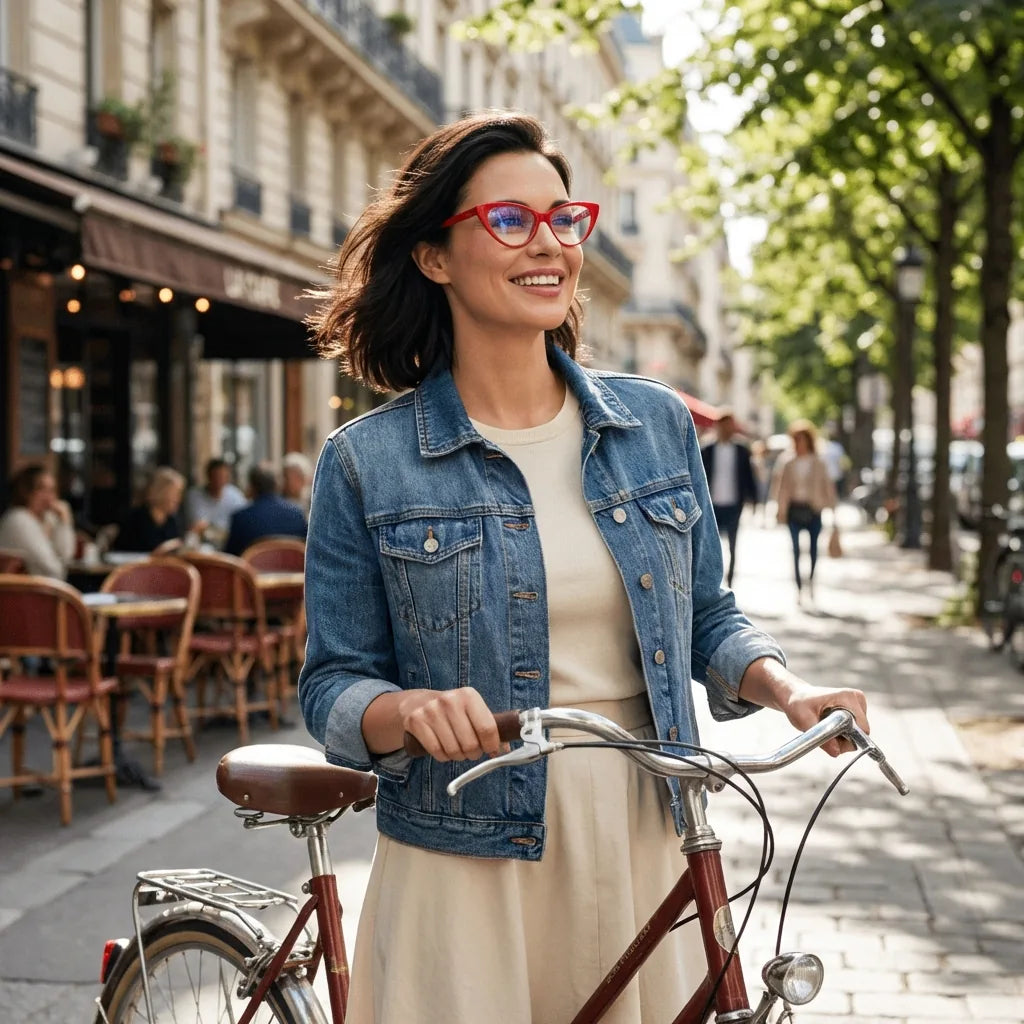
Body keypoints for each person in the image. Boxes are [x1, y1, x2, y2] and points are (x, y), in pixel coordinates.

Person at [297, 112, 869, 1024]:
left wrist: (788, 690)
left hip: (648, 821)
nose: (551, 245)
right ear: (435, 256)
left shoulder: (655, 425)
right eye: (511, 221)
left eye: (564, 220)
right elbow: (330, 684)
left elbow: (706, 618)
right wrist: (405, 710)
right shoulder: (369, 461)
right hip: (469, 852)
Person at [772, 419, 838, 604]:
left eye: (802, 439)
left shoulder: (819, 462)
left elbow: (828, 487)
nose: (799, 443)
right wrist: (779, 510)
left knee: (814, 550)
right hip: (794, 510)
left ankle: (811, 584)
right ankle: (799, 588)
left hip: (814, 510)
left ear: (809, 440)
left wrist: (833, 512)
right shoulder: (787, 461)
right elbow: (779, 487)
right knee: (795, 550)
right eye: (796, 439)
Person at [700, 410, 757, 588]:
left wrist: (753, 500)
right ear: (718, 426)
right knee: (711, 547)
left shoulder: (742, 450)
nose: (729, 429)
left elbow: (749, 477)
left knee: (732, 545)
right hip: (712, 505)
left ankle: (730, 582)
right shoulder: (707, 450)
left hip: (734, 504)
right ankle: (712, 582)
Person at [0, 464, 76, 578]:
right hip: (23, 593)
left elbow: (66, 556)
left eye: (52, 490)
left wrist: (64, 522)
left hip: (39, 590)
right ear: (25, 491)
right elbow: (54, 571)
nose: (49, 497)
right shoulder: (19, 519)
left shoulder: (46, 519)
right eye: (41, 489)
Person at [223, 463, 307, 556]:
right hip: (293, 570)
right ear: (278, 485)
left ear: (252, 487)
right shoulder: (297, 514)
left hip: (253, 570)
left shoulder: (240, 518)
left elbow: (231, 556)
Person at [112, 466, 186, 552]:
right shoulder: (135, 520)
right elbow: (121, 551)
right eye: (175, 494)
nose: (178, 499)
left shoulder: (172, 521)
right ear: (160, 493)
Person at [183, 457, 247, 546]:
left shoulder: (235, 496)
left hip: (229, 545)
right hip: (202, 546)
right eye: (216, 476)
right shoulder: (194, 495)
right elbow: (196, 526)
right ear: (208, 476)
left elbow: (243, 523)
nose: (219, 480)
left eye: (223, 476)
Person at [281, 451, 313, 517]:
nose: (288, 481)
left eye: (296, 477)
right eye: (286, 476)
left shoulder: (311, 499)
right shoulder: (280, 501)